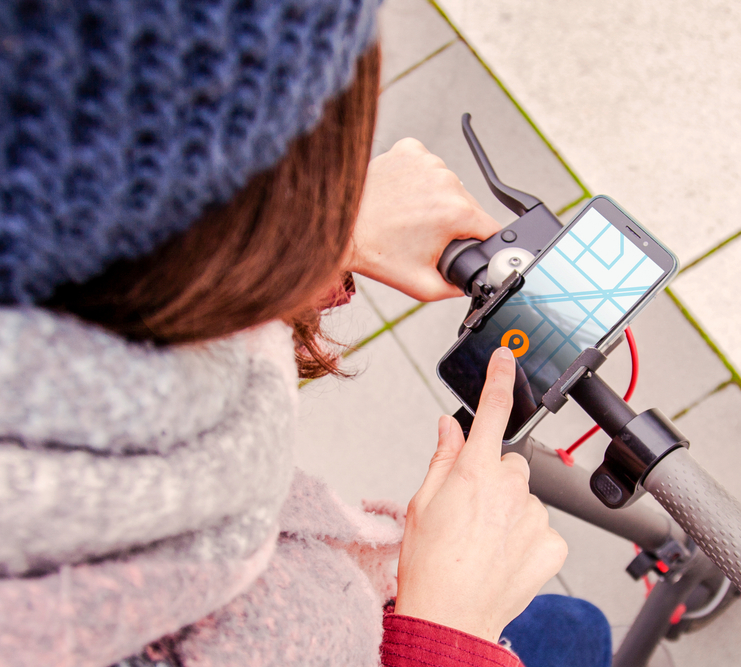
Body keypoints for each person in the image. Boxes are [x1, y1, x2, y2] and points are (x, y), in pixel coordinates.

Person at [0, 1, 613, 666]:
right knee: (579, 630)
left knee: (575, 625)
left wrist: (327, 238)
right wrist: (446, 633)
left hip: (355, 582)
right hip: (402, 623)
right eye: (307, 145)